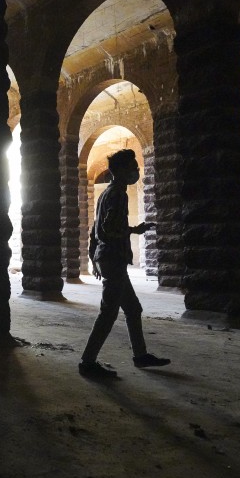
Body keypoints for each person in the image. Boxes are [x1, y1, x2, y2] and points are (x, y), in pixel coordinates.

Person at [79, 149, 170, 379]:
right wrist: (133, 230)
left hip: (107, 258)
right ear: (119, 170)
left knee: (132, 309)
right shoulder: (118, 194)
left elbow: (95, 229)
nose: (136, 171)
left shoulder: (106, 194)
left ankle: (140, 355)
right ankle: (87, 362)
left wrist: (93, 257)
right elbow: (108, 229)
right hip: (113, 258)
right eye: (132, 167)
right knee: (108, 313)